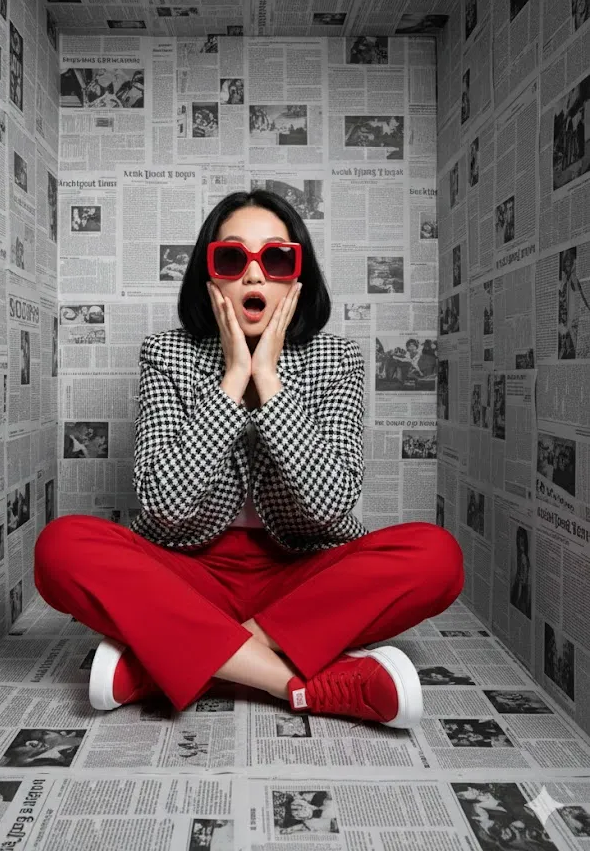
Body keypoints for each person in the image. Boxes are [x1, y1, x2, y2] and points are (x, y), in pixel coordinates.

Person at [34, 190, 463, 727]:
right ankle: (303, 684)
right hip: (188, 573)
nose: (254, 276)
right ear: (210, 277)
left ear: (295, 276)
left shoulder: (337, 359)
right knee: (61, 548)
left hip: (302, 575)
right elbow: (164, 505)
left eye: (276, 259)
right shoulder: (167, 354)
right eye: (233, 259)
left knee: (437, 557)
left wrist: (271, 383)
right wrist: (233, 380)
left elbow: (331, 506)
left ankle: (165, 665)